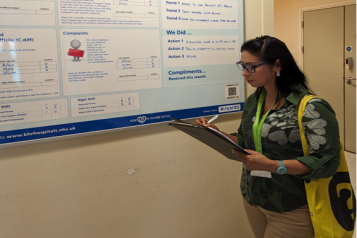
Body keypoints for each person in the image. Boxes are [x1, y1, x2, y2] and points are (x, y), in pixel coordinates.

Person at [195, 36, 340, 238]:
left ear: (277, 65)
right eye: (242, 66)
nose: (245, 73)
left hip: (290, 206)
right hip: (253, 197)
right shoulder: (255, 100)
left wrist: (273, 165)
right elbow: (246, 141)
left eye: (252, 67)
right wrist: (218, 134)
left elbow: (327, 161)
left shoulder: (311, 107)